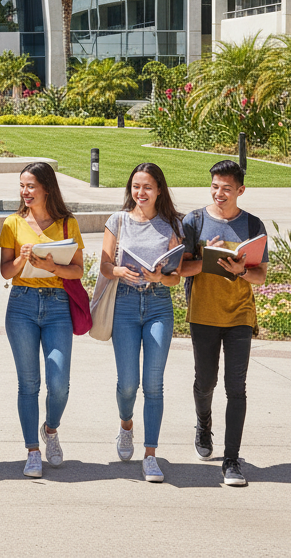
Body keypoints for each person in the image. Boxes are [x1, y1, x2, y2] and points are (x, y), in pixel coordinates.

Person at [179, 159, 268, 487]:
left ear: (240, 191)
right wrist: (206, 259)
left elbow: (260, 276)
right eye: (214, 187)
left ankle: (231, 460)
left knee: (236, 387)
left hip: (240, 316)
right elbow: (180, 270)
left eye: (226, 189)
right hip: (203, 313)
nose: (219, 193)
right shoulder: (194, 221)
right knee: (206, 382)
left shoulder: (253, 225)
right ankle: (203, 424)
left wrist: (241, 270)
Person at [0, 161, 84, 478]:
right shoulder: (11, 223)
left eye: (31, 185)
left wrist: (52, 268)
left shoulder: (67, 224)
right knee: (28, 384)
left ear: (46, 187)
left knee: (59, 383)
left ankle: (51, 428)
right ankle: (32, 451)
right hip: (21, 304)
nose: (25, 191)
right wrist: (23, 257)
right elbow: (5, 271)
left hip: (58, 304)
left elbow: (78, 270)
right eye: (22, 185)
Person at [99, 162, 183, 484]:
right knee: (128, 383)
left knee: (153, 384)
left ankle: (150, 455)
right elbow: (105, 266)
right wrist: (120, 271)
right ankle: (125, 424)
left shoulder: (173, 224)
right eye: (136, 186)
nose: (141, 192)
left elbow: (176, 278)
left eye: (147, 187)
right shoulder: (117, 220)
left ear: (159, 189)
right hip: (125, 303)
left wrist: (161, 275)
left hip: (159, 303)